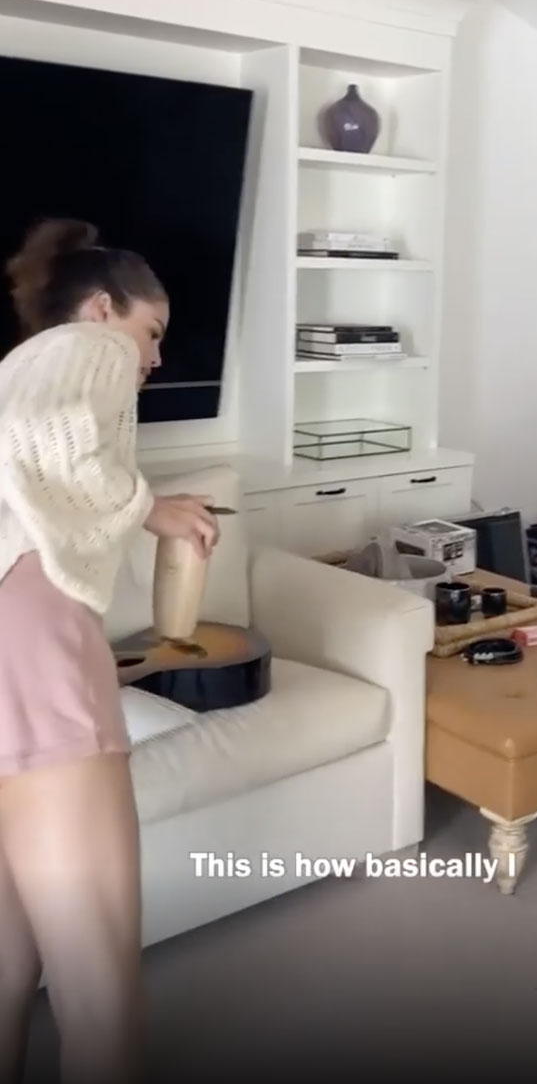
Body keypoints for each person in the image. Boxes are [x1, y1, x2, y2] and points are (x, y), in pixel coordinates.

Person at [0, 218, 220, 1084]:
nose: (154, 358)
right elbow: (50, 433)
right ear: (101, 307)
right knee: (100, 994)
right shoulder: (86, 347)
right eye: (151, 332)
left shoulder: (17, 363)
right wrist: (153, 508)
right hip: (31, 632)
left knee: (9, 957)